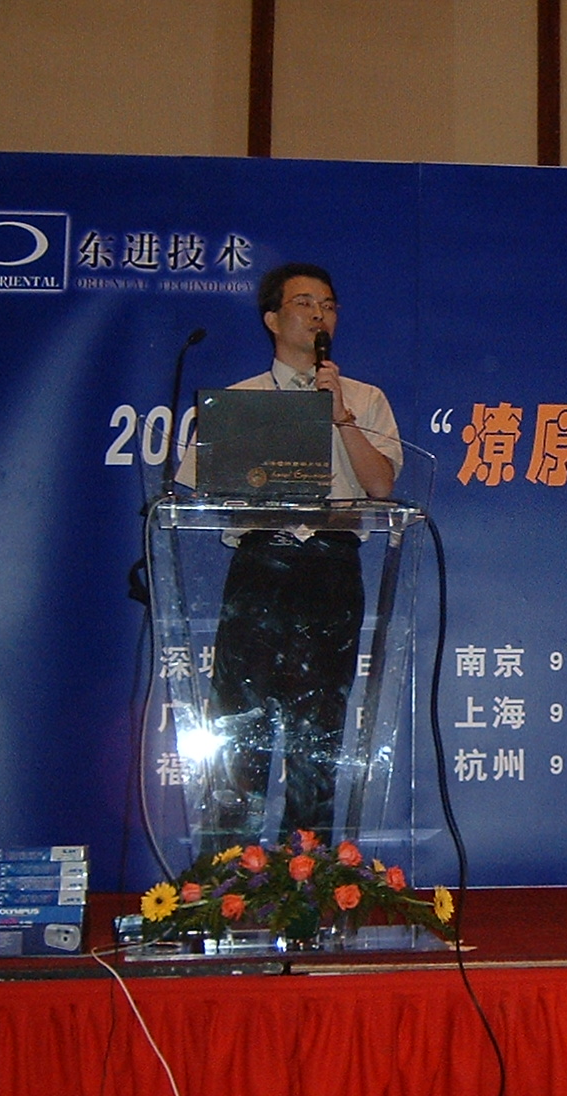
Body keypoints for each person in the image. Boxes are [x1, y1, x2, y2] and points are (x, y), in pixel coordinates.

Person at [179, 262, 402, 844]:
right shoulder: (238, 401)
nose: (318, 315)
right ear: (273, 319)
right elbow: (202, 492)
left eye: (328, 305)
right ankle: (229, 873)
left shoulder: (365, 399)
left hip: (331, 567)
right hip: (261, 568)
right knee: (241, 724)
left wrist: (340, 416)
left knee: (319, 727)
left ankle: (310, 873)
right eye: (304, 303)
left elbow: (380, 486)